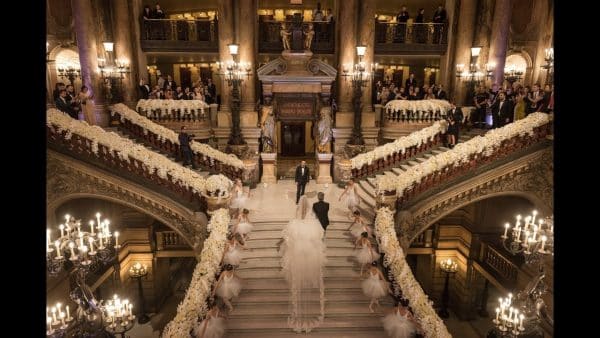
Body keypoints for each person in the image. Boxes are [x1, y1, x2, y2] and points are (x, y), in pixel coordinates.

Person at [280, 195, 326, 333]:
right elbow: (320, 237)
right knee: (310, 280)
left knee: (297, 281)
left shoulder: (294, 224)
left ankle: (297, 316)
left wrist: (294, 245)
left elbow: (287, 238)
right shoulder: (314, 224)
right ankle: (311, 315)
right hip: (310, 255)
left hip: (297, 255)